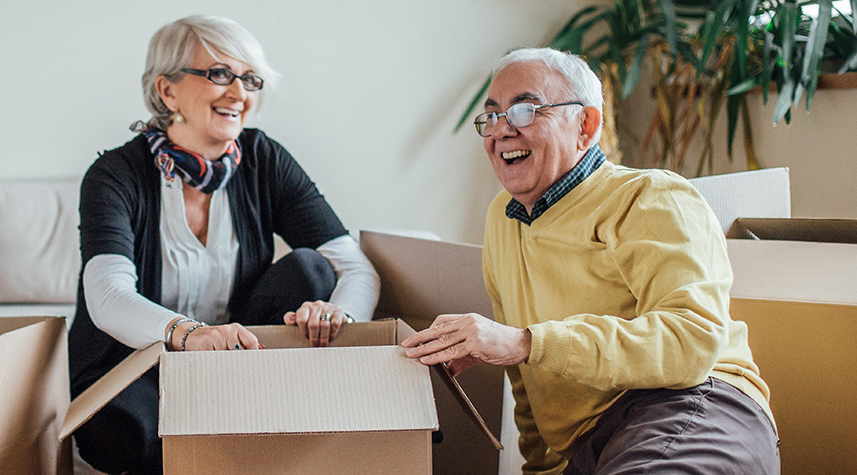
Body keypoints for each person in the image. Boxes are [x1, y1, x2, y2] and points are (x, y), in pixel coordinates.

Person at [401, 48, 779, 474]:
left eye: (525, 110)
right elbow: (529, 392)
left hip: (691, 404)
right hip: (590, 446)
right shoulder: (501, 220)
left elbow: (690, 342)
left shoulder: (649, 197)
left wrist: (526, 342)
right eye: (492, 116)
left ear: (586, 125)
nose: (502, 130)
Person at [68, 15, 380, 474]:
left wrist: (341, 317)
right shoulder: (115, 175)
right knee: (121, 436)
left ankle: (249, 419)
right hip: (137, 366)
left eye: (249, 79)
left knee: (313, 270)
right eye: (218, 74)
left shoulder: (263, 158)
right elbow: (107, 296)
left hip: (236, 363)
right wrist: (190, 335)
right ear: (167, 91)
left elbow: (355, 268)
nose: (239, 94)